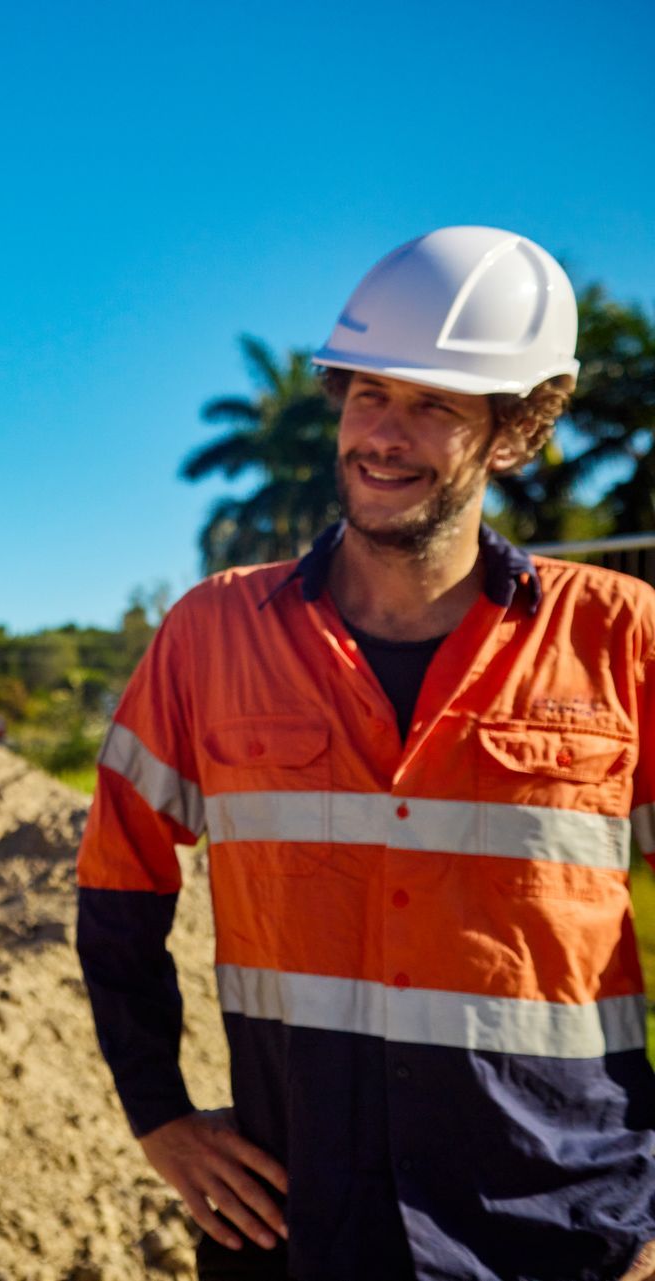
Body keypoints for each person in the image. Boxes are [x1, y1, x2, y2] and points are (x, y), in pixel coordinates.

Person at [77, 225, 655, 1281]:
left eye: (433, 404)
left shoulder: (621, 638)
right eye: (367, 396)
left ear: (516, 433)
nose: (383, 434)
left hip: (562, 1232)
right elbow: (118, 890)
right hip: (299, 1229)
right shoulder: (212, 634)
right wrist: (157, 1116)